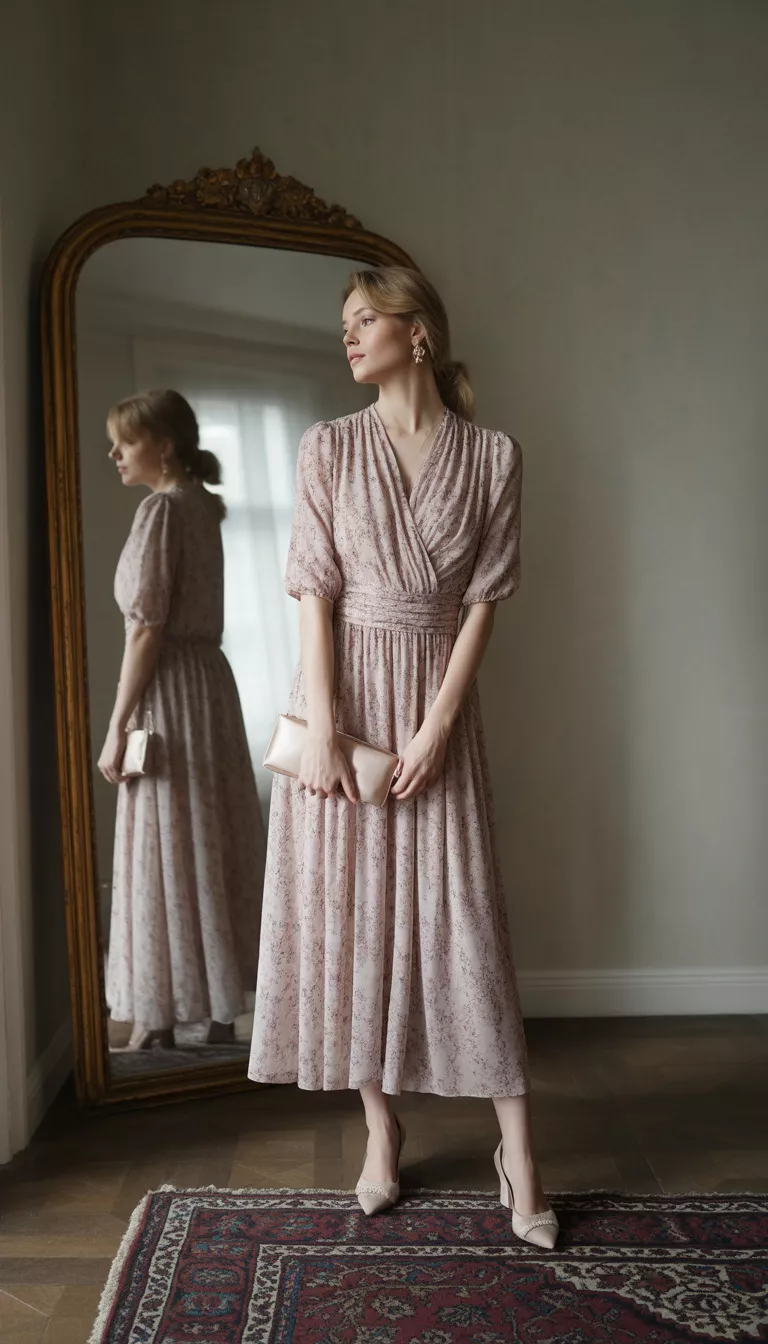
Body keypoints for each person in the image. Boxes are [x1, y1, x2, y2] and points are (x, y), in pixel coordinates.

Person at [248, 269, 558, 1248]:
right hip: (337, 706)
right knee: (351, 919)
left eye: (364, 320)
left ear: (417, 333)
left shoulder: (494, 455)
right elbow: (312, 589)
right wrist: (329, 723)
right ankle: (381, 1131)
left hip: (436, 710)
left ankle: (523, 1156)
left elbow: (483, 602)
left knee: (463, 923)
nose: (348, 337)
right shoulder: (328, 446)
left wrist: (436, 726)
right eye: (343, 325)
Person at [99, 389, 264, 1052]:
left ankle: (162, 1018)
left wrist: (116, 725)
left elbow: (146, 629)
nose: (114, 454)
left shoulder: (162, 510)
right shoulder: (203, 508)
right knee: (205, 839)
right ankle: (216, 1015)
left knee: (167, 844)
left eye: (125, 441)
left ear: (162, 447)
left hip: (169, 690)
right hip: (209, 690)